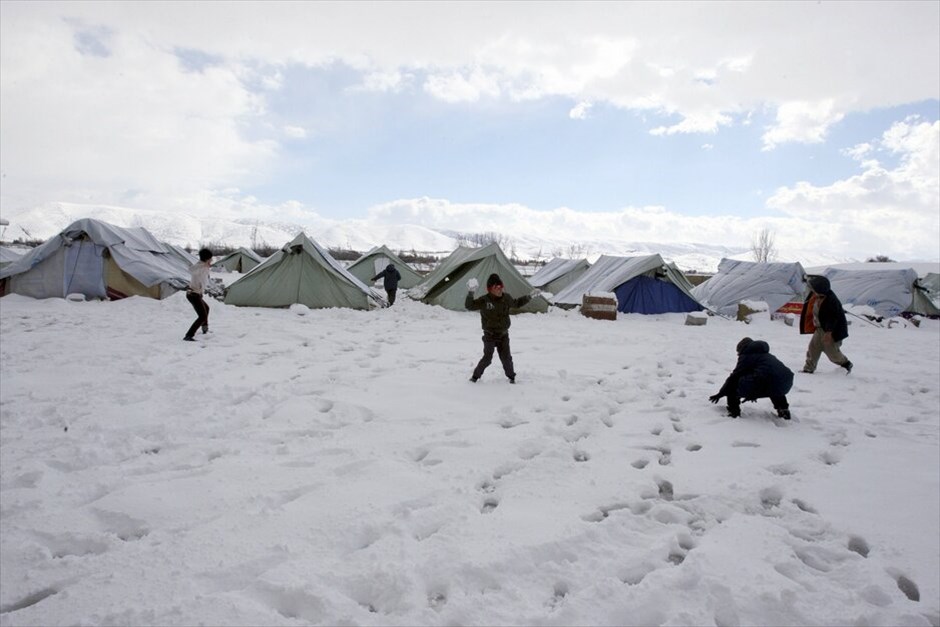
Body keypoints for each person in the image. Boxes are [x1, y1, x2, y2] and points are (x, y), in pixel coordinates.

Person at [465, 273, 536, 384]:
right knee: (487, 358)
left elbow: (516, 303)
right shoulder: (485, 300)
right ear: (490, 289)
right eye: (496, 287)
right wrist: (471, 293)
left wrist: (529, 297)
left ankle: (511, 377)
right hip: (489, 335)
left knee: (506, 359)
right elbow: (469, 306)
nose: (499, 289)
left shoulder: (506, 298)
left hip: (503, 335)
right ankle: (475, 377)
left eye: (501, 287)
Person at [709, 337, 794, 419]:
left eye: (738, 352)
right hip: (785, 383)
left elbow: (734, 377)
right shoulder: (766, 355)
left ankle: (734, 412)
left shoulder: (746, 355)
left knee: (733, 386)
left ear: (742, 349)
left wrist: (721, 393)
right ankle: (783, 409)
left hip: (767, 382)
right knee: (774, 385)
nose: (738, 354)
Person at [799, 275, 852, 374]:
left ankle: (846, 363)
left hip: (832, 330)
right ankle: (808, 369)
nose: (812, 290)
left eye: (813, 288)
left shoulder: (831, 301)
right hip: (820, 329)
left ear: (820, 289)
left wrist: (828, 333)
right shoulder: (818, 296)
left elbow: (832, 319)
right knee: (813, 348)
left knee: (832, 353)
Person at [183, 248, 213, 341]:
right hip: (193, 294)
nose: (211, 261)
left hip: (197, 294)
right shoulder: (200, 267)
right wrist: (204, 265)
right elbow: (192, 270)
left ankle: (205, 329)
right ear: (207, 259)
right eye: (210, 259)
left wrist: (206, 265)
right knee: (202, 316)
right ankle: (189, 335)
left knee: (206, 308)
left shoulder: (204, 266)